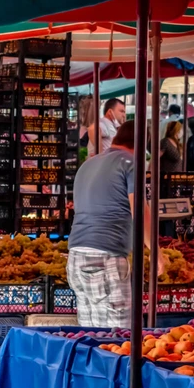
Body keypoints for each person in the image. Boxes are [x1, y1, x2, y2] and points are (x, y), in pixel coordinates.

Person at [66, 120, 157, 327]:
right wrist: (156, 254)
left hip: (76, 257)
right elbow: (140, 212)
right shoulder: (131, 163)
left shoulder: (88, 164)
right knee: (119, 338)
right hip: (106, 257)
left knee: (92, 337)